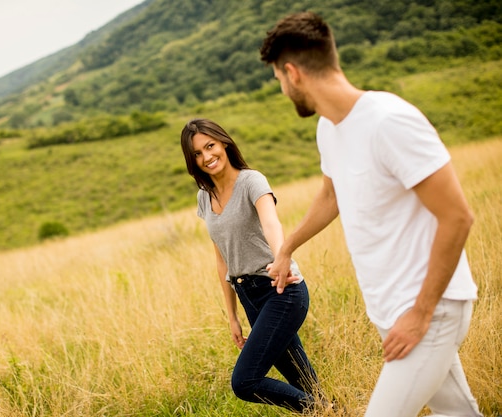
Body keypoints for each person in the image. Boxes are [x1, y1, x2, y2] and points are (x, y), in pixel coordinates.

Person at [259, 11, 482, 417]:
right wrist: (288, 246)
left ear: (292, 73)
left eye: (278, 79)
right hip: (392, 309)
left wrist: (421, 313)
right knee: (458, 412)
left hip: (430, 308)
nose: (282, 90)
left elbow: (458, 217)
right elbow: (331, 197)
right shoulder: (329, 127)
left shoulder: (389, 120)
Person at [180, 118, 321, 412]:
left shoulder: (251, 180)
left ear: (224, 143)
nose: (207, 157)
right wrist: (232, 315)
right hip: (249, 297)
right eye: (197, 153)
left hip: (280, 289)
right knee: (306, 387)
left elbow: (271, 223)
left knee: (245, 381)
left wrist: (282, 258)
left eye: (210, 146)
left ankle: (335, 411)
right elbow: (222, 260)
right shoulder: (204, 197)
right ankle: (330, 410)